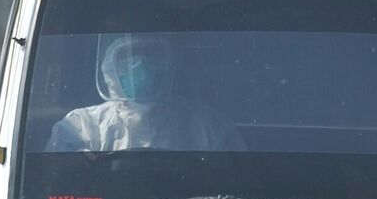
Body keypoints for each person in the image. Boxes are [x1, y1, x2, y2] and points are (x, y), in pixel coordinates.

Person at [47, 33, 242, 152]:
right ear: (109, 65)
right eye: (126, 55)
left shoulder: (209, 128)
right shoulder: (81, 127)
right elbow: (58, 190)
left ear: (170, 62)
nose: (141, 64)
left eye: (152, 54)